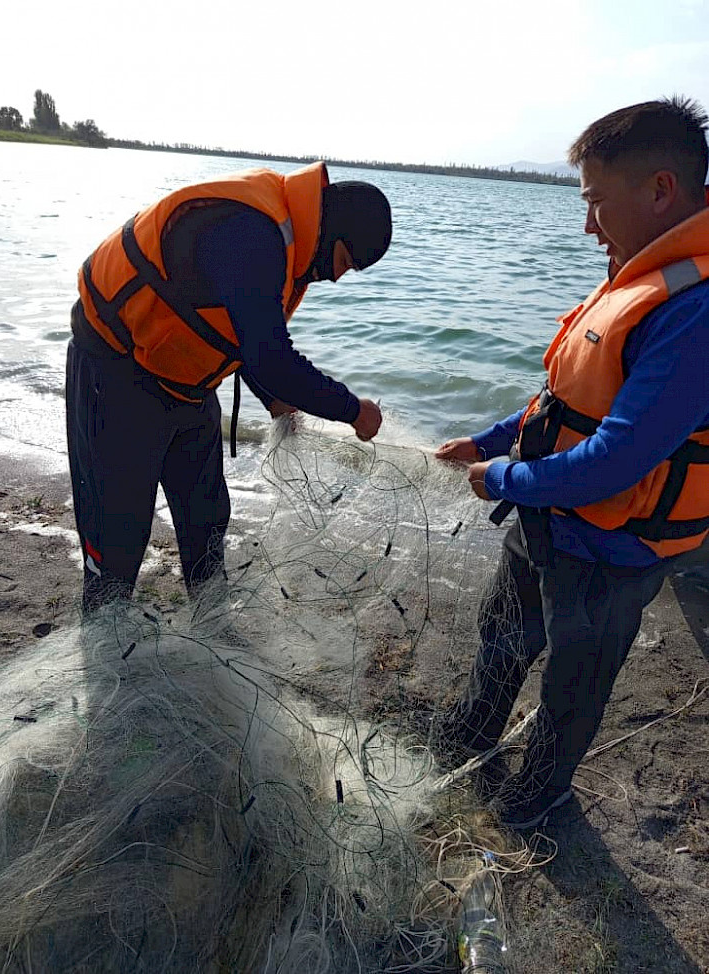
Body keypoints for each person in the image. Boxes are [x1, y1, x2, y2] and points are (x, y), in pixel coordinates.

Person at [435, 96, 709, 829]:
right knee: (502, 631)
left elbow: (616, 460)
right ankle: (470, 733)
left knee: (574, 680)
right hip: (548, 515)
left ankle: (543, 788)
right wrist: (493, 441)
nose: (586, 225)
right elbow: (568, 393)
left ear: (661, 189)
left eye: (595, 203)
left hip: (616, 545)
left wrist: (501, 479)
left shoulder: (696, 306)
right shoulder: (639, 270)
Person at [66, 162, 392, 611]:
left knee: (207, 516)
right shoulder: (251, 231)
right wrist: (353, 410)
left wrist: (273, 400)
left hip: (187, 383)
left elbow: (234, 330)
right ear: (329, 229)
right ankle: (104, 633)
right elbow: (271, 355)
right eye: (342, 262)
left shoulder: (284, 239)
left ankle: (212, 624)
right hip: (117, 369)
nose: (335, 277)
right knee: (118, 525)